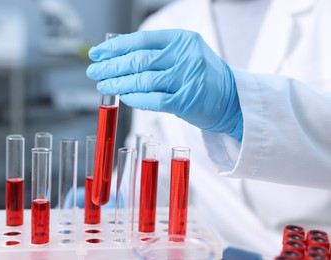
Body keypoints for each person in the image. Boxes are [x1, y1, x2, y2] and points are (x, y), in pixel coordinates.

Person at [86, 0, 331, 257]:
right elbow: (155, 162)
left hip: (316, 245)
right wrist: (120, 202)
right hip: (217, 248)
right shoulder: (161, 27)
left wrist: (237, 104)